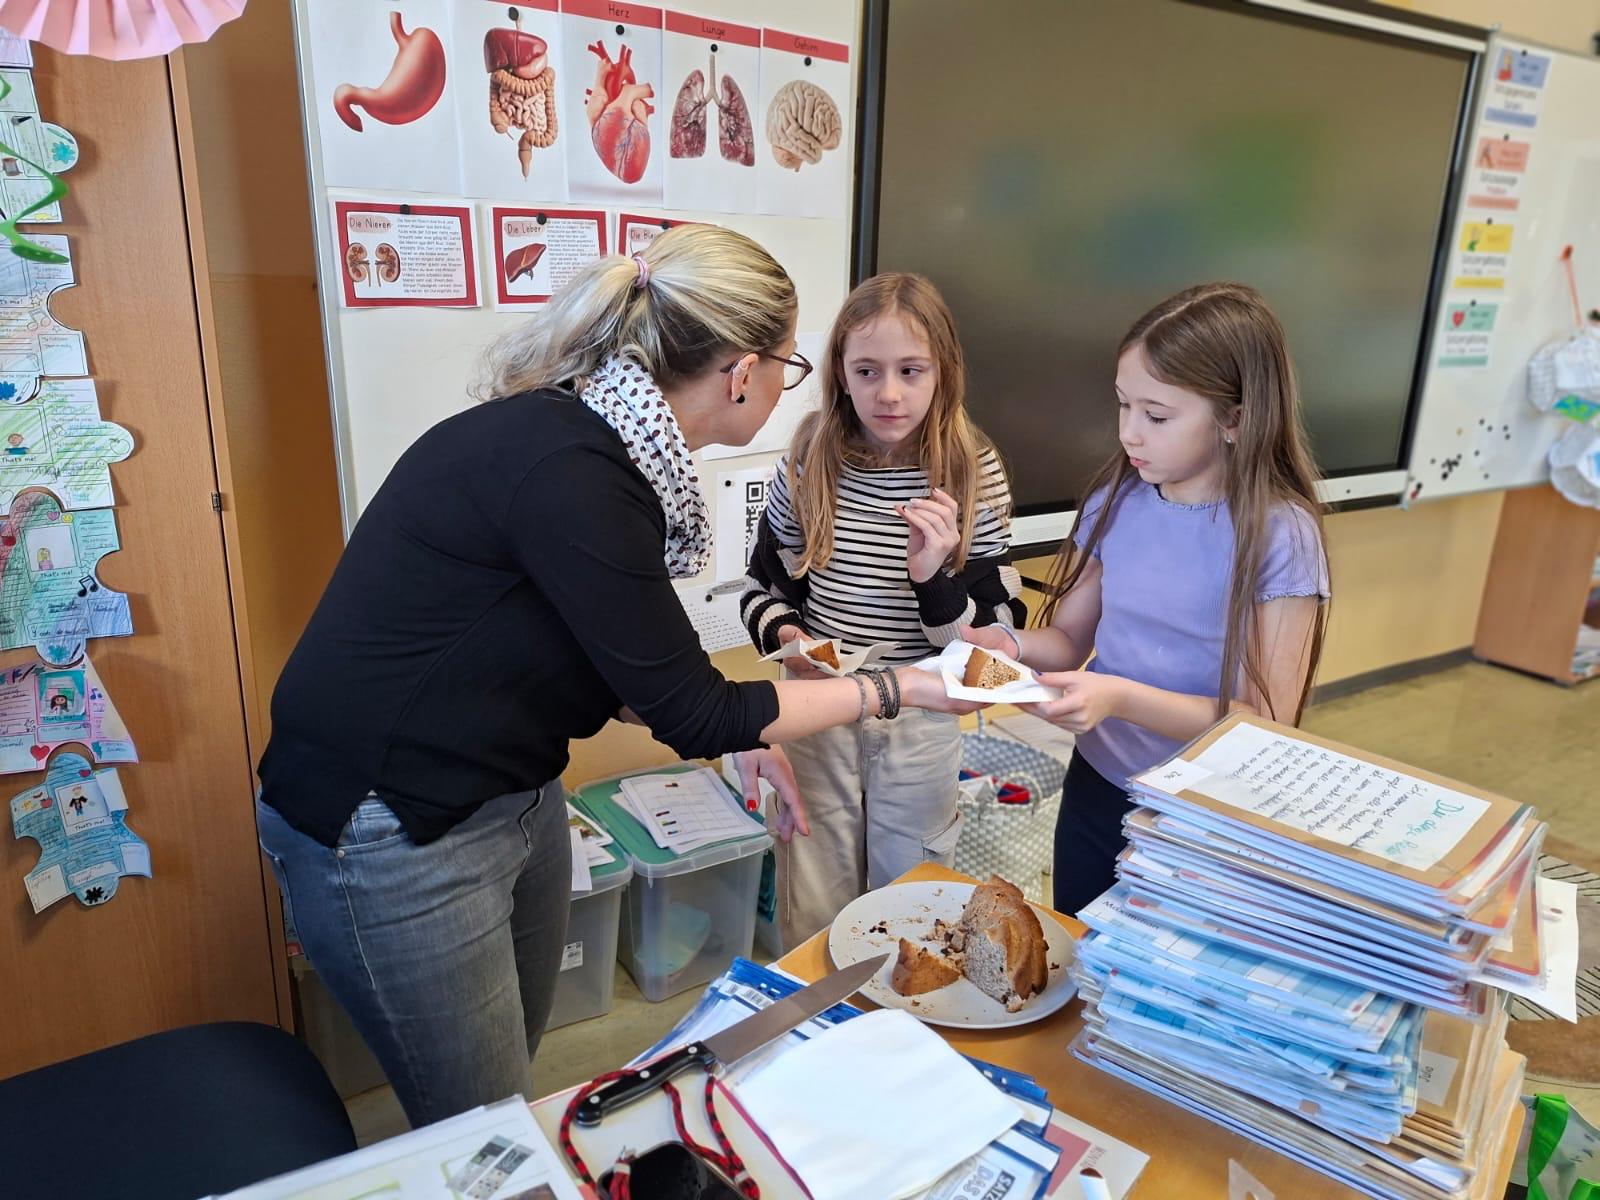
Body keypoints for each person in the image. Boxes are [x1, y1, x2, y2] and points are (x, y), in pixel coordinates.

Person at [255, 226, 976, 1127]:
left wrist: (738, 735)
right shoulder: (573, 468)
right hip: (388, 814)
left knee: (508, 1069)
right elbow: (693, 704)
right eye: (794, 369)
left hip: (506, 788)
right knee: (481, 1122)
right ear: (741, 373)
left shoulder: (601, 445)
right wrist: (899, 688)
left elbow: (639, 665)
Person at [964, 283, 1330, 915]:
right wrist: (1011, 645)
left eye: (1156, 416)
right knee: (1080, 952)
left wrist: (1118, 698)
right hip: (1097, 784)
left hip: (1202, 808)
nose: (1129, 432)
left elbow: (1264, 719)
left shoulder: (1281, 534)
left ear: (1235, 419)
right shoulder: (1118, 500)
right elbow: (1071, 639)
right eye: (1123, 405)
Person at [742, 273, 1023, 949]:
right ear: (839, 372)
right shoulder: (810, 457)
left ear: (943, 373)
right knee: (814, 891)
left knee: (916, 897)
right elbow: (757, 587)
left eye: (910, 371)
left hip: (921, 722)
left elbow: (992, 657)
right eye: (867, 371)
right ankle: (823, 1029)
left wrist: (932, 580)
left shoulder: (971, 469)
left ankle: (904, 1030)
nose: (888, 393)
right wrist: (789, 634)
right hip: (819, 711)